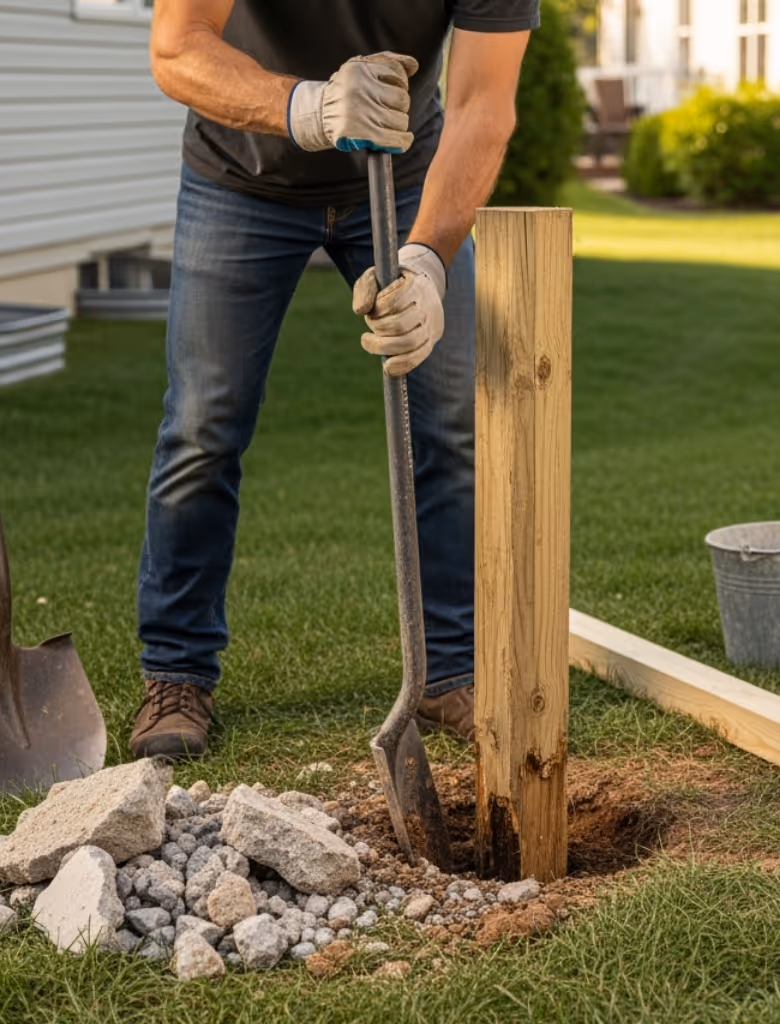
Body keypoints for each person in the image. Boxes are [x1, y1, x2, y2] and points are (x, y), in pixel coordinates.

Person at [128, 0, 536, 760]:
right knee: (203, 426)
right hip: (241, 177)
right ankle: (177, 673)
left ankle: (450, 668)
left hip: (405, 179)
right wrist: (305, 105)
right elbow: (177, 48)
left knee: (451, 419)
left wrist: (428, 259)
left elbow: (485, 105)